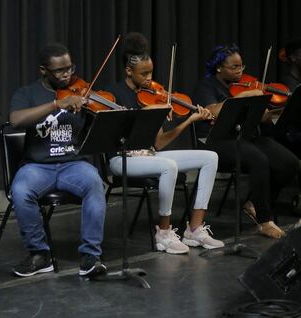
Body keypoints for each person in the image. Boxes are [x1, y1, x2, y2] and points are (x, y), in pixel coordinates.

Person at [105, 33, 224, 255]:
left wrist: (188, 120)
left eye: (151, 72)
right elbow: (115, 131)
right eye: (144, 73)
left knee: (210, 157)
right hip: (122, 158)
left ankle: (195, 228)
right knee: (168, 166)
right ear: (129, 71)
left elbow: (159, 143)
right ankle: (164, 232)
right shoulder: (114, 94)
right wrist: (146, 113)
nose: (150, 78)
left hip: (148, 155)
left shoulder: (151, 96)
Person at [9, 43, 107, 278]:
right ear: (43, 70)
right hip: (38, 166)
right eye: (60, 71)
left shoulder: (81, 92)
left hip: (73, 163)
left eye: (70, 68)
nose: (67, 75)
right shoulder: (27, 93)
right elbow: (15, 120)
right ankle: (39, 254)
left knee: (95, 182)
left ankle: (90, 256)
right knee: (20, 190)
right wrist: (56, 104)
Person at [192, 44, 300, 238]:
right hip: (214, 141)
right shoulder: (207, 86)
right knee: (257, 158)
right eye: (234, 67)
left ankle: (255, 203)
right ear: (219, 68)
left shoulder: (246, 84)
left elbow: (266, 117)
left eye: (241, 66)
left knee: (289, 163)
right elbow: (211, 111)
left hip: (244, 138)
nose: (240, 71)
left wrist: (283, 110)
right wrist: (245, 96)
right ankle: (265, 221)